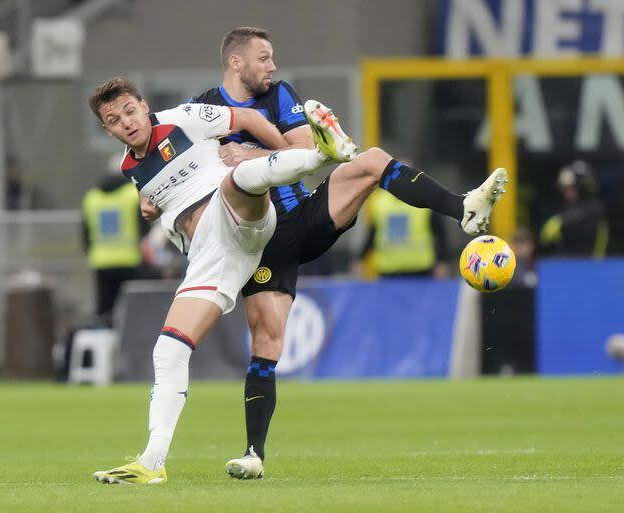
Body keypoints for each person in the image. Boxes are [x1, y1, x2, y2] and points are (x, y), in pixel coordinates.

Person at [190, 26, 508, 480]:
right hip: (260, 240)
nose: (273, 66)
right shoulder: (204, 109)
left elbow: (301, 149)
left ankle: (464, 209)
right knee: (266, 343)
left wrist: (249, 152)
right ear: (236, 62)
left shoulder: (279, 95)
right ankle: (254, 454)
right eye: (264, 58)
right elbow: (191, 173)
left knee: (372, 160)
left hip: (304, 215)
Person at [89, 76, 356, 485]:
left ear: (144, 107)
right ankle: (152, 463)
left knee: (239, 179)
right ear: (107, 130)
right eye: (114, 119)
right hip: (211, 258)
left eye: (129, 111)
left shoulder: (182, 119)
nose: (125, 121)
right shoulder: (131, 167)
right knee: (168, 351)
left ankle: (321, 155)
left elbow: (247, 116)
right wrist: (151, 204)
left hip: (237, 218)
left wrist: (290, 148)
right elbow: (163, 190)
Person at [81, 161, 148, 325]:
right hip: (129, 261)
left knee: (104, 310)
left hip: (101, 262)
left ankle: (104, 343)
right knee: (132, 310)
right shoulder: (132, 195)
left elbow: (85, 233)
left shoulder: (91, 198)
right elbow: (144, 228)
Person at [356, 188, 450, 278]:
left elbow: (440, 232)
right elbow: (373, 232)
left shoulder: (425, 198)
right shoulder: (378, 200)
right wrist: (360, 258)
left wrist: (442, 261)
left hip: (420, 269)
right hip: (387, 270)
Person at [539, 160, 608, 257]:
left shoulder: (594, 206)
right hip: (567, 257)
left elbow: (590, 214)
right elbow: (544, 239)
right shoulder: (561, 206)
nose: (566, 193)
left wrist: (561, 221)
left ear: (581, 188)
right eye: (564, 189)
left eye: (571, 188)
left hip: (591, 258)